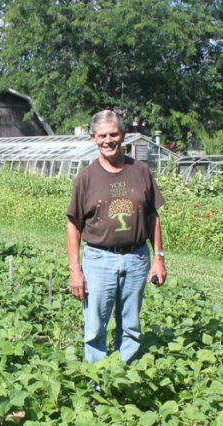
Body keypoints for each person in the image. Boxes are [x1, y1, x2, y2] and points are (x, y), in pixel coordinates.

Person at [66, 110, 167, 363]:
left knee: (131, 326)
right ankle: (98, 385)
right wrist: (75, 270)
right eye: (102, 136)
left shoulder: (141, 171)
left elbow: (153, 216)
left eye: (114, 134)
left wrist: (159, 258)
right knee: (95, 328)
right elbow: (73, 224)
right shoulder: (86, 177)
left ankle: (125, 378)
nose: (108, 140)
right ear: (93, 138)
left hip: (136, 258)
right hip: (99, 260)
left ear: (123, 136)